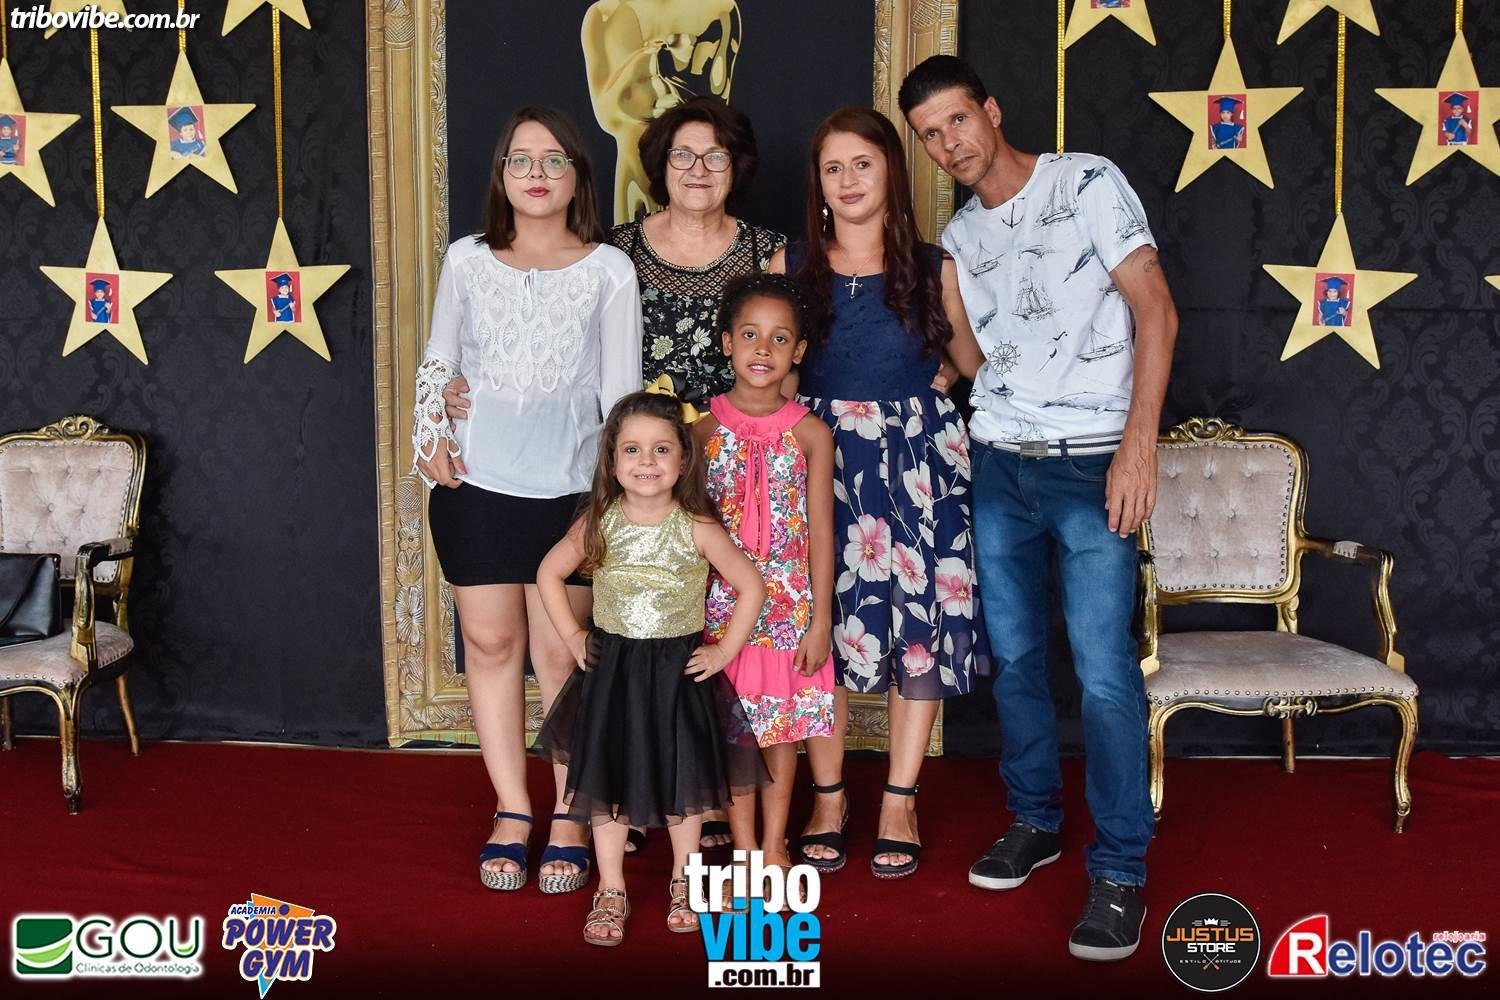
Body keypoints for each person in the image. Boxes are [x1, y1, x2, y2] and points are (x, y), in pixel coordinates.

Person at [444, 95, 789, 852]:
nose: (697, 169)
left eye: (715, 155)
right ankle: (569, 802)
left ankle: (680, 799)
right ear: (658, 167)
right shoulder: (617, 250)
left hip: (705, 467)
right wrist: (441, 409)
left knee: (686, 634)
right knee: (586, 641)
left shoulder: (758, 251)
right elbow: (472, 356)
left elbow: (787, 353)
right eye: (682, 155)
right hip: (617, 470)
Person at [902, 55, 1178, 961]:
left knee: (1103, 671)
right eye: (930, 135)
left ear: (991, 108)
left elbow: (1156, 311)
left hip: (1093, 462)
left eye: (957, 119)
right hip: (999, 464)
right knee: (1016, 660)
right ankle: (1035, 820)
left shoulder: (1086, 181)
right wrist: (947, 316)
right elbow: (982, 366)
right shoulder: (961, 236)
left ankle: (1122, 869)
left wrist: (1138, 446)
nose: (949, 143)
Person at [411, 106, 642, 897]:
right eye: (520, 159)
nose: (536, 173)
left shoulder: (609, 270)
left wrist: (611, 500)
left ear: (578, 175)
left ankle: (572, 812)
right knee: (490, 645)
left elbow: (622, 396)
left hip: (570, 493)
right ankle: (512, 808)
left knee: (561, 655)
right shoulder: (468, 259)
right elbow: (439, 358)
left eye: (553, 160)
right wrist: (431, 429)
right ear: (501, 175)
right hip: (475, 489)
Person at [770, 106, 988, 881]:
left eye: (862, 163)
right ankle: (828, 796)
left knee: (917, 626)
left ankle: (900, 798)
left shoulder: (934, 267)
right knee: (820, 625)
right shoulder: (791, 263)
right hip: (820, 460)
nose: (848, 180)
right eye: (833, 168)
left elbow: (972, 360)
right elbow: (773, 368)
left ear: (891, 170)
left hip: (916, 466)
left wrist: (941, 378)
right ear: (818, 184)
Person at [534, 390, 769, 946]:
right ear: (613, 461)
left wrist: (724, 651)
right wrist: (573, 636)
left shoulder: (697, 525)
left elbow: (752, 586)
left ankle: (685, 880)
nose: (646, 461)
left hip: (676, 674)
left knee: (684, 779)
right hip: (612, 672)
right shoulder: (600, 521)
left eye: (661, 449)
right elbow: (548, 573)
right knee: (609, 779)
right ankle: (611, 887)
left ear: (683, 460)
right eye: (632, 449)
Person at [695, 273, 836, 891]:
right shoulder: (700, 432)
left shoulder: (811, 433)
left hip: (788, 610)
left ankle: (776, 845)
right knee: (734, 733)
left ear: (798, 351)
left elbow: (822, 533)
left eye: (780, 339)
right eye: (749, 335)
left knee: (781, 730)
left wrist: (821, 619)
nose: (763, 349)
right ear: (727, 343)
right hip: (721, 611)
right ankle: (745, 851)